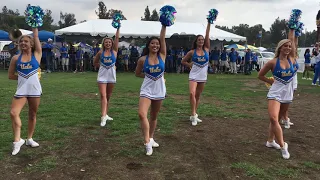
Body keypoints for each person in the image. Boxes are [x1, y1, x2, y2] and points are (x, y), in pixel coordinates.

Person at [258, 28, 298, 159]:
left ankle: (270, 141)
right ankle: (283, 145)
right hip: (275, 93)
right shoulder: (272, 62)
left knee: (278, 119)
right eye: (285, 46)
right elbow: (260, 75)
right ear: (280, 48)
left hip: (288, 94)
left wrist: (292, 29)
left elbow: (292, 40)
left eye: (289, 46)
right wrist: (270, 80)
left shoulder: (292, 59)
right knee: (274, 118)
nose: (287, 48)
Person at [8, 27, 42, 155]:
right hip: (21, 90)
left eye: (26, 41)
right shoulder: (15, 58)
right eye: (21, 42)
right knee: (13, 113)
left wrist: (35, 30)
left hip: (34, 90)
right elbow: (10, 75)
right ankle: (18, 141)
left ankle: (29, 139)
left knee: (32, 114)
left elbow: (37, 38)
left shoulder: (37, 55)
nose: (23, 43)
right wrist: (23, 77)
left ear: (31, 43)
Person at [135, 24, 167, 156]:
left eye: (157, 44)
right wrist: (148, 76)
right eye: (153, 43)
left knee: (154, 116)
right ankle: (147, 142)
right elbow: (137, 74)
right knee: (142, 114)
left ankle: (152, 137)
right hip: (146, 90)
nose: (156, 45)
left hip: (159, 90)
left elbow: (163, 38)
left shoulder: (162, 56)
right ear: (148, 45)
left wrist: (164, 26)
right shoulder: (142, 60)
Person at [181, 21, 211, 126]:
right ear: (196, 41)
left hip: (203, 76)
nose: (201, 41)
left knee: (197, 96)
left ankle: (194, 114)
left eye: (202, 40)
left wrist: (209, 24)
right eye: (199, 40)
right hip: (193, 75)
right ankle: (193, 115)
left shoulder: (207, 49)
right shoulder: (192, 52)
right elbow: (183, 61)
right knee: (191, 93)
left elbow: (208, 35)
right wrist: (189, 65)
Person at [94, 27, 120, 127]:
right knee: (103, 96)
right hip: (102, 77)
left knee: (108, 97)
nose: (108, 44)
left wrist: (118, 28)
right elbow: (95, 62)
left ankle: (106, 114)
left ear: (112, 43)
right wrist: (101, 66)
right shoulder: (100, 53)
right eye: (106, 42)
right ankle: (103, 116)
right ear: (103, 44)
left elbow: (117, 38)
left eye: (109, 42)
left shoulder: (115, 52)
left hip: (112, 77)